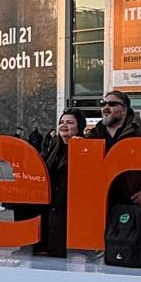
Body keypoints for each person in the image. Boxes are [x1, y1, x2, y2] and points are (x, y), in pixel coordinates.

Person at [90, 91, 141, 237]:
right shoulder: (94, 134)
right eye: (103, 104)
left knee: (140, 252)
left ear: (125, 109)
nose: (106, 107)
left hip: (135, 205)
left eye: (112, 104)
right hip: (104, 206)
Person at [38, 108, 83, 257]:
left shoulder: (85, 148)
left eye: (70, 122)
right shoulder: (54, 148)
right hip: (51, 208)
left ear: (79, 127)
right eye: (61, 122)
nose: (64, 125)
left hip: (70, 209)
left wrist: (82, 149)